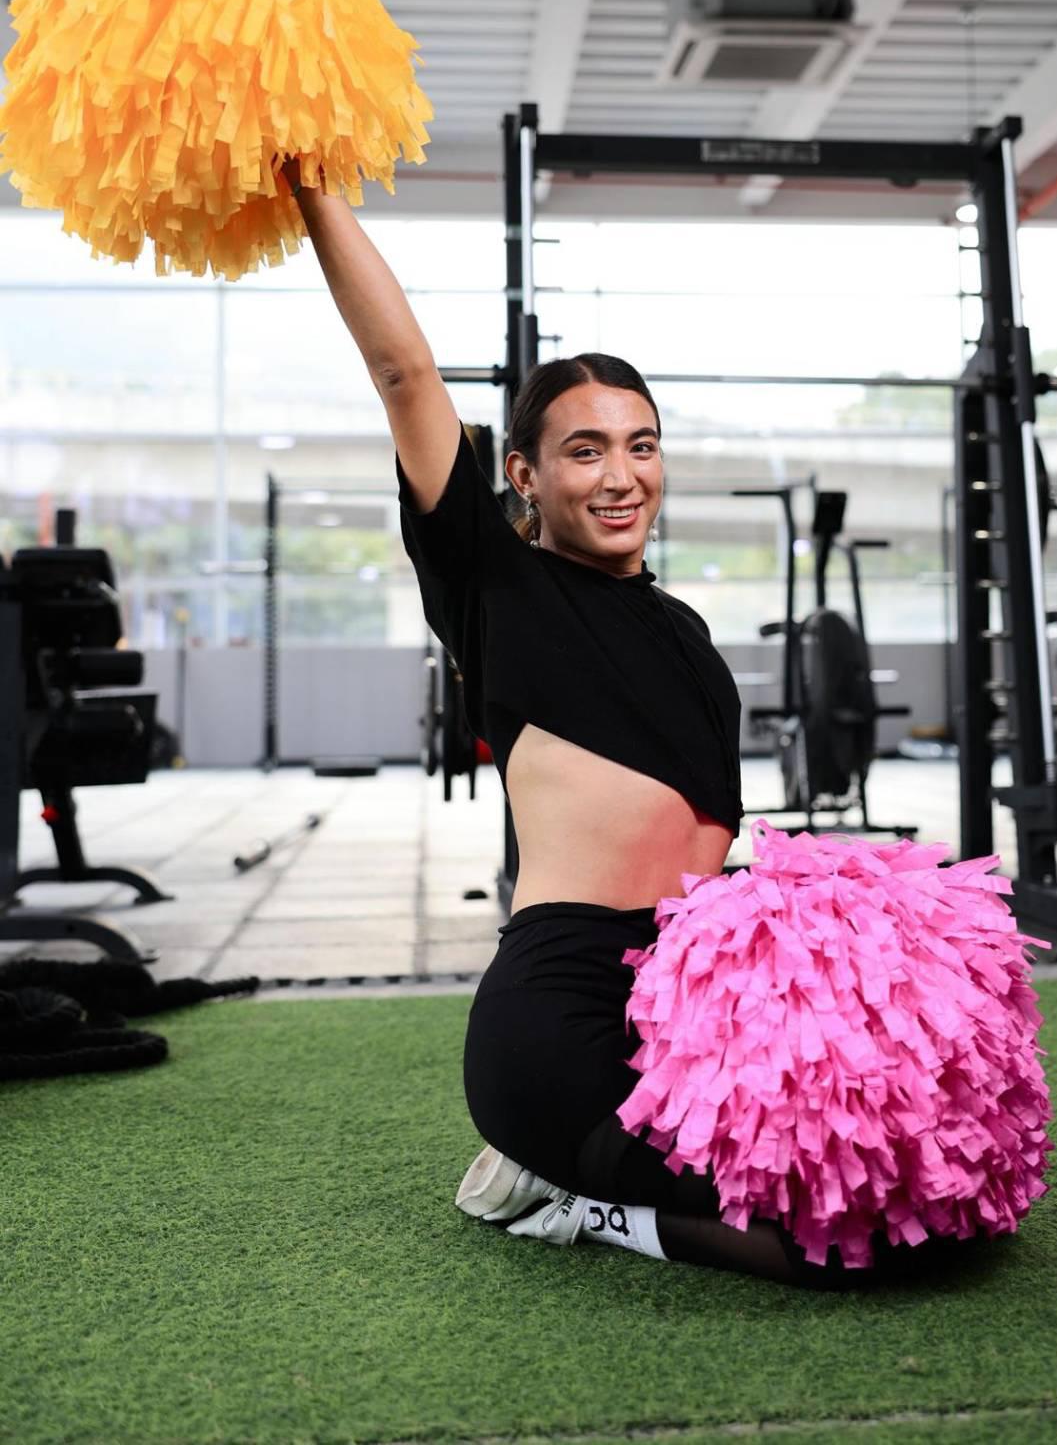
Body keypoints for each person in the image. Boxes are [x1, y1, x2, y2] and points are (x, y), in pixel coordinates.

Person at [289, 170, 981, 1289]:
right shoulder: (494, 588)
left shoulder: (685, 630)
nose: (622, 476)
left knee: (923, 1204)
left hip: (688, 1020)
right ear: (523, 475)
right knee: (835, 1251)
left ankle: (593, 1183)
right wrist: (313, 188)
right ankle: (576, 1205)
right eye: (586, 450)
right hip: (560, 1022)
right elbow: (403, 371)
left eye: (641, 444)